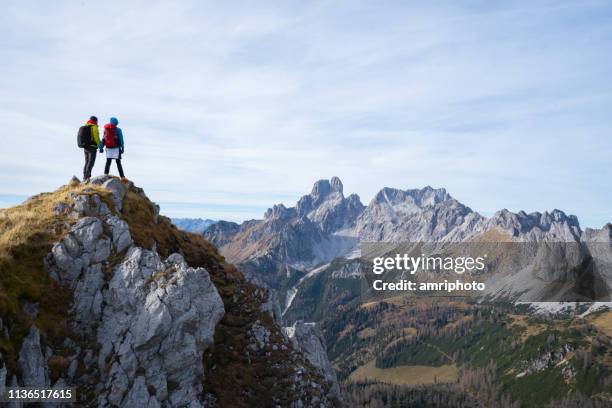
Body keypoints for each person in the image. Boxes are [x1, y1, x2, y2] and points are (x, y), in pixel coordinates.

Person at [99, 117, 127, 181]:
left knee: (108, 162)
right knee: (118, 163)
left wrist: (101, 148)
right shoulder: (118, 130)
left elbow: (103, 139)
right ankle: (122, 176)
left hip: (108, 148)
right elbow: (121, 139)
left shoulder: (106, 129)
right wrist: (123, 148)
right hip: (116, 148)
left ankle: (105, 174)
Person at [78, 116, 100, 180]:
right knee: (91, 162)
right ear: (95, 121)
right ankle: (87, 176)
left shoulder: (86, 126)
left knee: (86, 162)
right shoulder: (94, 127)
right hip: (92, 147)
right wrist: (99, 146)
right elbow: (96, 138)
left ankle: (84, 176)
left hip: (85, 147)